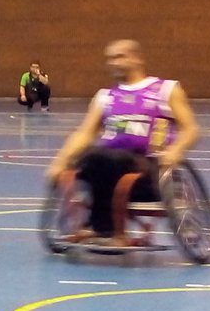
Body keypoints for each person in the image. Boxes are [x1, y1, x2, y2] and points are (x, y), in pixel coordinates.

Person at [45, 39, 199, 245]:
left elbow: (191, 129)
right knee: (90, 159)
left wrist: (175, 151)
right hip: (106, 165)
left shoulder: (165, 90)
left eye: (119, 56)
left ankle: (102, 228)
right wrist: (59, 163)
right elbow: (84, 134)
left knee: (103, 158)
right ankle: (101, 228)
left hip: (149, 170)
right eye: (109, 58)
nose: (113, 63)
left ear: (137, 59)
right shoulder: (105, 97)